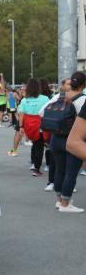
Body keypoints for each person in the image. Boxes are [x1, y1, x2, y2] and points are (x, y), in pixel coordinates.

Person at [40, 71, 86, 212]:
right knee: (71, 173)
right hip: (73, 141)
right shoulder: (83, 99)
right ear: (83, 85)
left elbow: (41, 112)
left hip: (56, 138)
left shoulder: (58, 96)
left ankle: (59, 201)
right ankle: (66, 204)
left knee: (60, 170)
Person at [17, 79, 49, 177]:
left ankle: (34, 163)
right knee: (39, 146)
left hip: (29, 125)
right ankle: (37, 168)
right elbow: (48, 112)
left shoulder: (24, 100)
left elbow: (21, 114)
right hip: (40, 124)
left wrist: (21, 126)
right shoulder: (45, 98)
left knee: (35, 144)